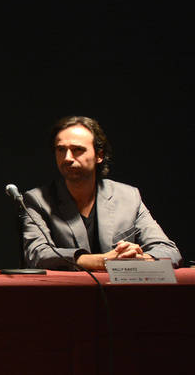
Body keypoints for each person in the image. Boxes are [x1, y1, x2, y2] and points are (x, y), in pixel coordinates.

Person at [21, 115, 180, 270]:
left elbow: (168, 250)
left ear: (99, 155)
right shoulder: (37, 200)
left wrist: (139, 259)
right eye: (61, 149)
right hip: (70, 287)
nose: (67, 158)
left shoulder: (128, 196)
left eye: (77, 150)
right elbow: (37, 254)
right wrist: (104, 261)